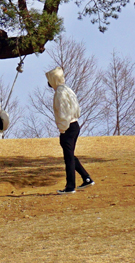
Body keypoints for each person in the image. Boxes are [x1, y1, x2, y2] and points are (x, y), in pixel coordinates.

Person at [47, 66, 95, 194]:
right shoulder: (67, 89)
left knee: (68, 158)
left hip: (68, 127)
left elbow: (63, 113)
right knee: (70, 156)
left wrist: (63, 130)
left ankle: (70, 186)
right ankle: (86, 178)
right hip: (74, 125)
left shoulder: (60, 93)